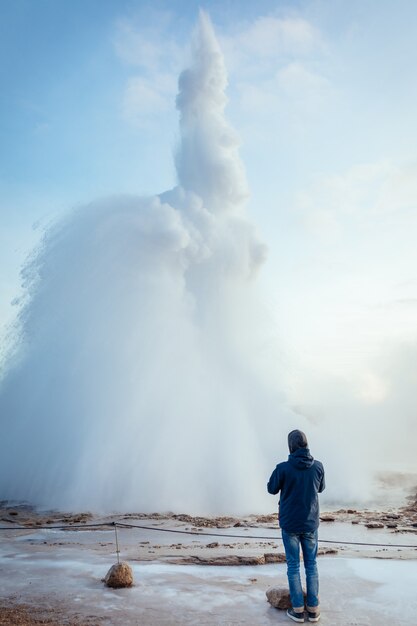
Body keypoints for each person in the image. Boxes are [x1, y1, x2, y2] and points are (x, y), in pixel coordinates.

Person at [267, 430, 325, 624]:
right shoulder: (318, 466)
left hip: (290, 523)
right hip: (310, 523)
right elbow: (320, 488)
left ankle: (298, 610)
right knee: (311, 565)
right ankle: (314, 609)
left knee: (293, 566)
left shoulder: (283, 468)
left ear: (290, 446)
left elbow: (271, 488)